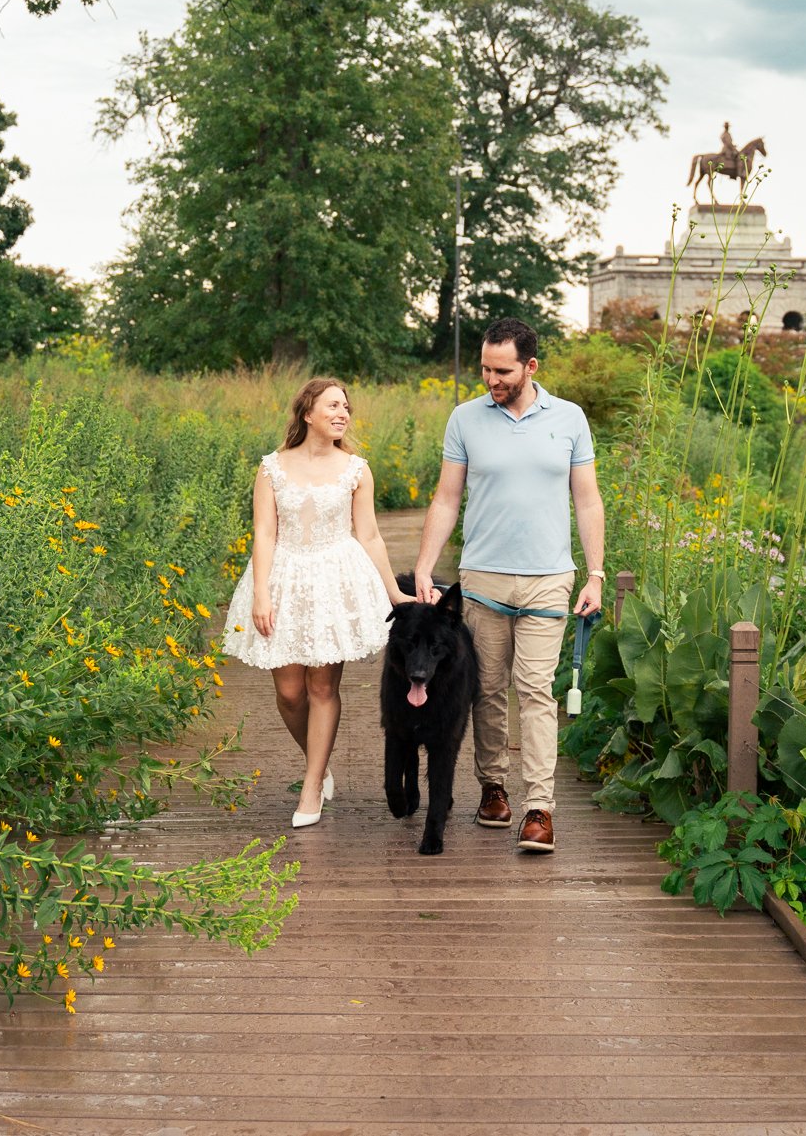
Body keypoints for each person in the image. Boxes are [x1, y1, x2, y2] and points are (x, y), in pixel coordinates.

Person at [413, 317, 604, 854]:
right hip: (483, 579)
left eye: (502, 370)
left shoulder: (569, 418)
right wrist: (425, 566)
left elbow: (587, 499)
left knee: (536, 692)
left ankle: (539, 808)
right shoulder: (465, 419)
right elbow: (447, 497)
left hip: (549, 579)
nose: (491, 379)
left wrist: (595, 573)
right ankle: (493, 787)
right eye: (484, 369)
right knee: (487, 691)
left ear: (531, 366)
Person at [221, 378, 412, 827]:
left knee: (322, 688)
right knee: (289, 693)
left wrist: (393, 593)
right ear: (307, 413)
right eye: (332, 405)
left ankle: (310, 788)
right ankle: (318, 761)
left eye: (346, 406)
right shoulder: (271, 468)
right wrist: (262, 592)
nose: (342, 412)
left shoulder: (356, 469)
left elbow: (368, 535)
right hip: (283, 577)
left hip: (334, 579)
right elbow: (265, 533)